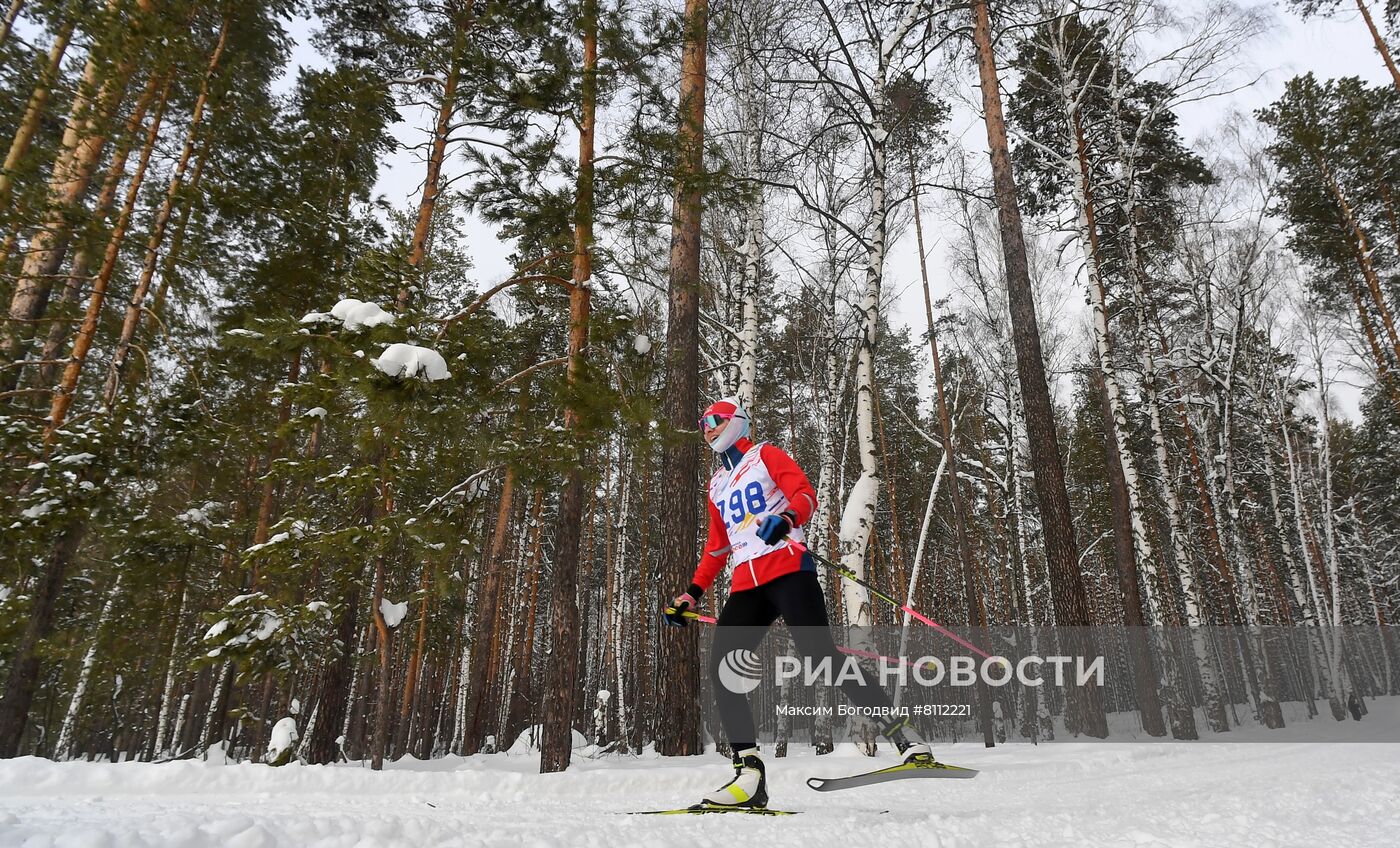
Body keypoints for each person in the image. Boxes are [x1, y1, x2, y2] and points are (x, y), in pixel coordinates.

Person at [664, 396, 932, 810]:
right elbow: (717, 549)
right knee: (723, 671)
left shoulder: (764, 455)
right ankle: (748, 776)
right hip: (747, 584)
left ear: (737, 421)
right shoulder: (716, 485)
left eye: (715, 419)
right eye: (702, 423)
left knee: (819, 656)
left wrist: (786, 519)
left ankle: (903, 735)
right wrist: (691, 594)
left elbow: (805, 494)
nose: (708, 427)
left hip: (789, 569)